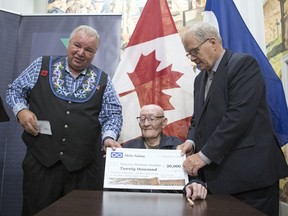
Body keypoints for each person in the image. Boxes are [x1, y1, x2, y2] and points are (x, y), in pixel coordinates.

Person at [6, 25, 122, 216]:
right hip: (41, 164)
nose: (81, 53)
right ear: (69, 43)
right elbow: (15, 90)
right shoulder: (41, 65)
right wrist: (21, 110)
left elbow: (113, 114)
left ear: (95, 53)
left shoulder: (103, 80)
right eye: (77, 45)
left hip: (83, 169)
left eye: (89, 50)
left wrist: (108, 137)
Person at [178, 22, 288, 216]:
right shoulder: (199, 79)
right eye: (189, 54)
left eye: (194, 51)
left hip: (251, 181)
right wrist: (191, 140)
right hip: (217, 182)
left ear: (212, 42)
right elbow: (199, 118)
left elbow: (237, 118)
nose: (193, 58)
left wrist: (202, 157)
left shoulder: (243, 65)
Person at [121, 104, 207, 200]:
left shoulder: (178, 146)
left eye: (151, 119)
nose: (146, 124)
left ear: (164, 122)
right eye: (142, 119)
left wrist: (194, 185)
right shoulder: (129, 148)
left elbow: (194, 178)